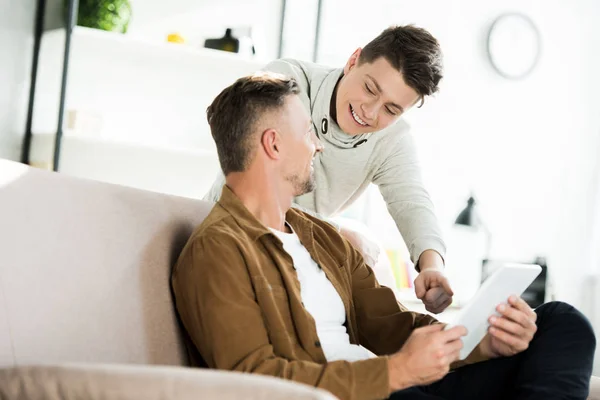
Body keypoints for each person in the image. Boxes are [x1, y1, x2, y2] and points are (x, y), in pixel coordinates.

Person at [172, 73, 596, 400]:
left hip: (399, 385)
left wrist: (485, 344)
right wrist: (395, 373)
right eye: (307, 133)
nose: (318, 146)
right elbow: (254, 381)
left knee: (563, 323)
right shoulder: (218, 249)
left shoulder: (321, 237)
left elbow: (392, 327)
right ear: (273, 144)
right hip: (361, 392)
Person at [204, 25, 454, 314]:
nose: (370, 112)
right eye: (370, 88)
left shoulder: (393, 139)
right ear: (353, 60)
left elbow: (412, 202)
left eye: (391, 110)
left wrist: (432, 266)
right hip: (231, 240)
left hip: (296, 266)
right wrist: (335, 232)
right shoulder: (286, 83)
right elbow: (254, 192)